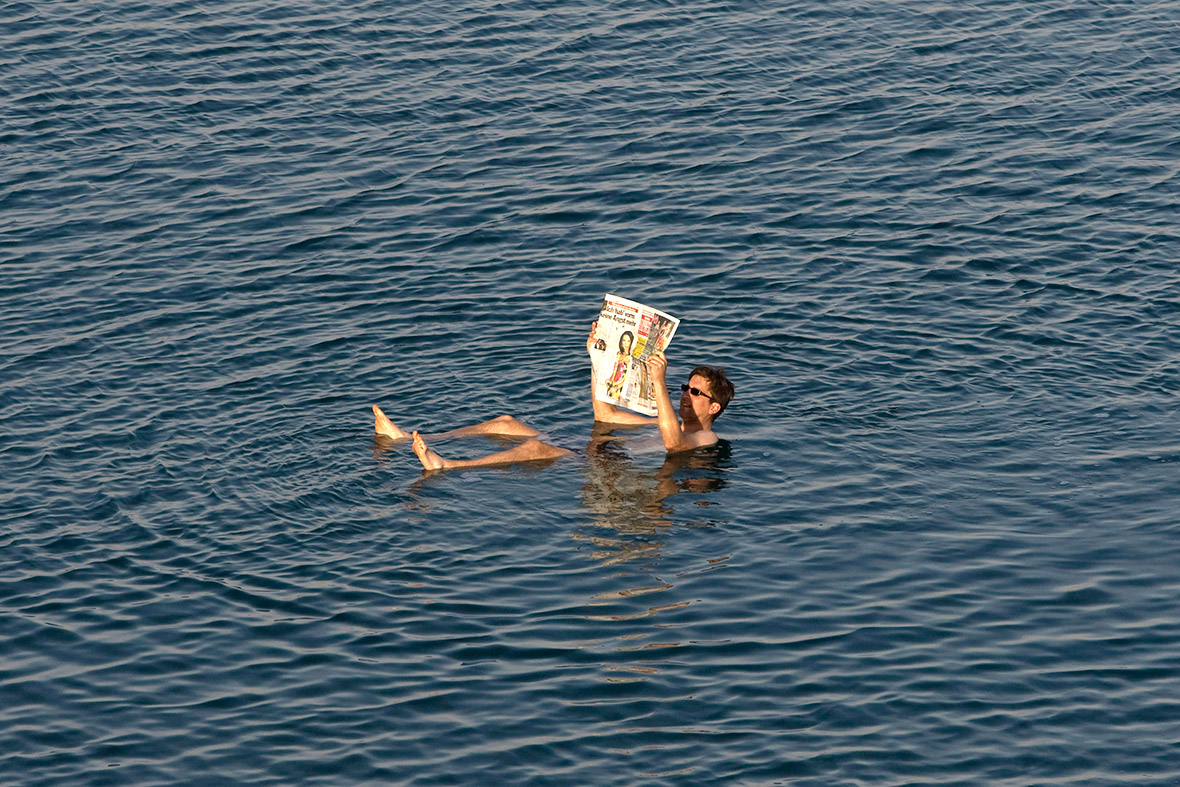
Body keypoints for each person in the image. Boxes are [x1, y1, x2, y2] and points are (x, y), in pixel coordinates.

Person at [373, 321, 734, 471]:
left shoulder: (705, 436)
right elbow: (604, 416)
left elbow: (673, 445)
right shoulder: (660, 421)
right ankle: (404, 437)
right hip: (589, 444)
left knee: (537, 451)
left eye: (694, 391)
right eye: (684, 387)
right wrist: (596, 357)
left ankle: (449, 466)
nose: (685, 394)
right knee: (505, 422)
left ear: (713, 406)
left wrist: (658, 380)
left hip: (600, 462)